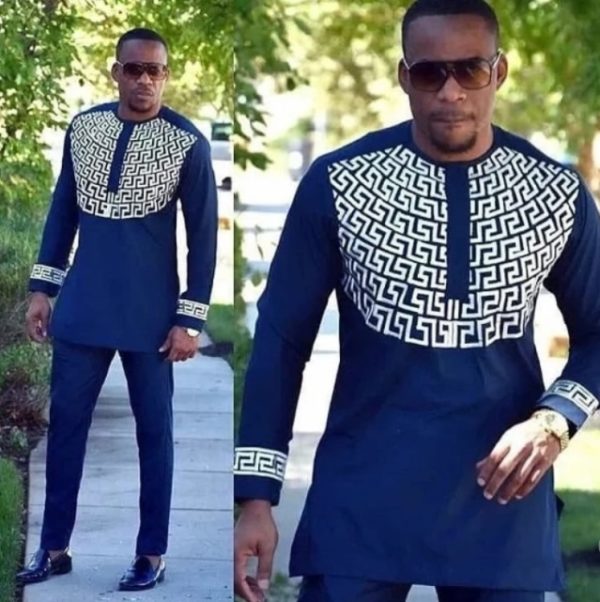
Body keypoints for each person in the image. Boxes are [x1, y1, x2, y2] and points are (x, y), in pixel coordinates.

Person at [233, 0, 600, 600]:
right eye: (430, 73)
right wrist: (255, 498)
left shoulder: (553, 191)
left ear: (499, 72)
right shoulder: (340, 183)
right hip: (362, 495)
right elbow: (280, 340)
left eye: (471, 70)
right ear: (405, 77)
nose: (451, 91)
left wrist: (554, 421)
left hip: (502, 500)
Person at [16, 28, 217, 591]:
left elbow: (203, 237)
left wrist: (190, 320)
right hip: (82, 309)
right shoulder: (84, 129)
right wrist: (42, 289)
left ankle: (151, 554)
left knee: (155, 434)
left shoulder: (188, 143)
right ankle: (54, 548)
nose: (145, 80)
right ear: (116, 72)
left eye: (155, 70)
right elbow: (62, 211)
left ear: (166, 76)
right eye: (134, 69)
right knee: (66, 431)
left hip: (152, 320)